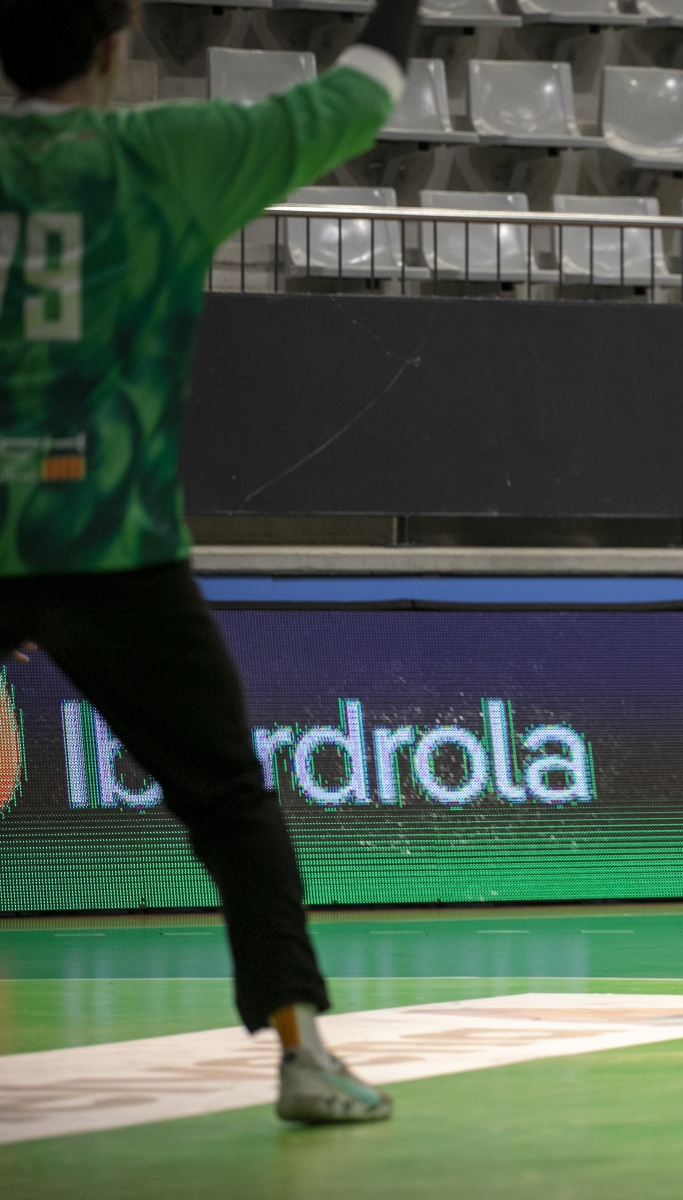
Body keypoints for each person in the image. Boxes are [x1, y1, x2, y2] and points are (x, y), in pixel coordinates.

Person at [0, 0, 417, 1120]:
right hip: (112, 545)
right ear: (115, 44)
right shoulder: (168, 153)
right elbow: (362, 92)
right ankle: (302, 1055)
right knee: (230, 804)